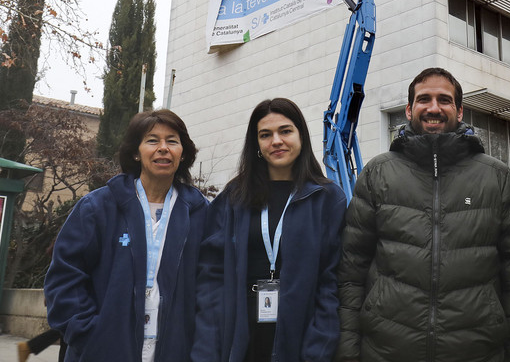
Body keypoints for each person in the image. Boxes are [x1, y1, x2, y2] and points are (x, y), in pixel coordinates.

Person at [337, 68, 510, 362]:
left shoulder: (496, 177)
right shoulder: (377, 173)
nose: (433, 108)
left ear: (459, 111)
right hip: (385, 352)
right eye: (424, 99)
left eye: (444, 100)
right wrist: (347, 353)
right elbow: (350, 275)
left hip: (477, 353)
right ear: (409, 109)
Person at [45, 109, 209, 362]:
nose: (163, 148)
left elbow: (212, 287)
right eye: (152, 140)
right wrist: (91, 335)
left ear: (183, 153)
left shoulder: (202, 214)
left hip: (176, 351)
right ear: (136, 152)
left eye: (172, 141)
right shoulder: (98, 207)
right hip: (105, 351)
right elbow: (64, 277)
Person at [193, 98, 347, 362]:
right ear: (257, 145)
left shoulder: (328, 198)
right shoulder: (234, 196)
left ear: (301, 136)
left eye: (285, 131)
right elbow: (211, 277)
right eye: (265, 135)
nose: (276, 141)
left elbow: (331, 284)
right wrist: (207, 349)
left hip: (299, 341)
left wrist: (317, 350)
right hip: (239, 339)